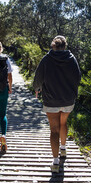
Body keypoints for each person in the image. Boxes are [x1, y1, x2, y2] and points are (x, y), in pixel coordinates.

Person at [33, 35, 81, 173]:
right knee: (63, 124)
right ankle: (64, 149)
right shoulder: (72, 59)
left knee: (54, 129)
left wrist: (37, 89)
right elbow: (78, 77)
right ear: (65, 46)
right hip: (67, 99)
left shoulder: (46, 59)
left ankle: (55, 163)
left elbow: (38, 78)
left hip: (51, 100)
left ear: (53, 46)